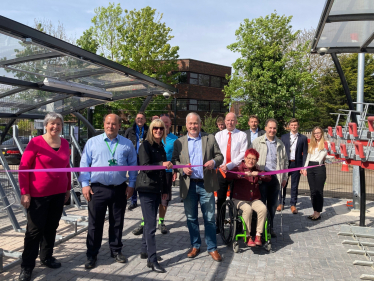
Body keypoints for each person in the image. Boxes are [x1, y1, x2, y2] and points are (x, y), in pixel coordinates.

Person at [79, 114, 137, 269]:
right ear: (104, 124)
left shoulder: (127, 144)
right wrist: (85, 184)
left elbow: (133, 165)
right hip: (97, 189)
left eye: (114, 124)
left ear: (119, 126)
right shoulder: (92, 142)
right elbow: (84, 164)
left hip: (119, 189)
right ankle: (92, 254)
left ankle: (116, 250)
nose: (110, 126)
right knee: (94, 224)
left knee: (117, 222)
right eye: (108, 123)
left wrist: (131, 184)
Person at [18, 112, 71, 281]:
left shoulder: (64, 143)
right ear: (46, 125)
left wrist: (68, 188)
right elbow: (23, 167)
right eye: (52, 123)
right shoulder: (36, 142)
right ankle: (27, 266)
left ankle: (46, 257)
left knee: (51, 228)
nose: (55, 126)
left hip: (58, 193)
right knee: (34, 231)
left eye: (58, 124)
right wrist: (25, 192)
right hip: (38, 195)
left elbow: (67, 167)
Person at [172, 112, 224, 261]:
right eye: (191, 123)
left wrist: (214, 162)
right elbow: (174, 161)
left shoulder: (210, 138)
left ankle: (212, 248)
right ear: (186, 125)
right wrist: (182, 169)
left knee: (209, 218)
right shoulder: (179, 142)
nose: (193, 126)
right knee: (191, 218)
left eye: (196, 123)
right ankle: (195, 245)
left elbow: (220, 156)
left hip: (205, 184)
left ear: (200, 124)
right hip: (189, 185)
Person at [132, 114, 178, 235]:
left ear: (169, 124)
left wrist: (176, 170)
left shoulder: (175, 139)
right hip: (151, 173)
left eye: (166, 123)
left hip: (166, 173)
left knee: (164, 199)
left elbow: (176, 156)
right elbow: (145, 163)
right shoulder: (150, 141)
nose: (162, 127)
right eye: (161, 124)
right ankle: (144, 222)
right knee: (149, 201)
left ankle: (161, 222)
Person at [136, 119, 172, 273]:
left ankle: (145, 250)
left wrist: (165, 189)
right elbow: (144, 167)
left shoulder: (160, 146)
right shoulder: (145, 145)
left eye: (161, 128)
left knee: (149, 223)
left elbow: (163, 171)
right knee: (151, 226)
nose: (158, 130)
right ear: (151, 130)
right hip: (146, 189)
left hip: (157, 188)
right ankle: (152, 259)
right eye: (155, 128)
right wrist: (161, 164)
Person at [225, 149, 271, 247]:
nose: (251, 161)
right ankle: (247, 235)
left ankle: (258, 235)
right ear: (245, 158)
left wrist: (258, 174)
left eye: (254, 159)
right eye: (249, 158)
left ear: (256, 161)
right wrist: (242, 175)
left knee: (263, 208)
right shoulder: (239, 168)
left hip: (254, 199)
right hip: (239, 199)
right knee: (247, 209)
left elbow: (268, 177)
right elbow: (228, 175)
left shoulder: (257, 170)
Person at [250, 118, 288, 237]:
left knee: (272, 205)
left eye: (274, 128)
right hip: (261, 178)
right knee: (260, 204)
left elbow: (285, 162)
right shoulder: (257, 142)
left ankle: (270, 228)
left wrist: (284, 178)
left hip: (275, 178)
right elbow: (249, 159)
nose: (272, 130)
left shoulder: (280, 144)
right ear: (265, 128)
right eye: (270, 128)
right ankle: (258, 230)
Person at [215, 112, 247, 233]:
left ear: (236, 121)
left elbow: (243, 153)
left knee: (235, 199)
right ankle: (219, 224)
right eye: (228, 120)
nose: (230, 122)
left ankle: (235, 223)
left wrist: (230, 165)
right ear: (225, 121)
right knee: (221, 199)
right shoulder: (218, 135)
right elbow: (216, 152)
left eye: (232, 120)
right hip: (221, 171)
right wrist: (221, 166)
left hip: (235, 171)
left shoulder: (242, 135)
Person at [278, 118, 308, 214]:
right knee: (283, 184)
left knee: (294, 185)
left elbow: (305, 153)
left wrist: (304, 167)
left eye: (295, 125)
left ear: (298, 126)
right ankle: (280, 203)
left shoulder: (303, 138)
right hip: (285, 164)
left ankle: (293, 204)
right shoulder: (284, 137)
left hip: (296, 164)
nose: (294, 126)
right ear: (289, 126)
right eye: (292, 125)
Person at [301, 126, 331, 220]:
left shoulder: (326, 144)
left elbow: (325, 156)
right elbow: (308, 156)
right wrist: (305, 168)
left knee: (319, 191)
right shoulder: (311, 144)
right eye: (315, 133)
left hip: (319, 167)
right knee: (313, 191)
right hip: (310, 167)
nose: (317, 135)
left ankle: (318, 212)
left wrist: (325, 159)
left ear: (321, 133)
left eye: (318, 133)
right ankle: (314, 211)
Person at [124, 112, 149, 210]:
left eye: (142, 118)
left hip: (144, 157)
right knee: (132, 178)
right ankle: (133, 200)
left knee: (144, 177)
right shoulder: (130, 131)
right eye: (138, 118)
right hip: (133, 157)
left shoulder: (148, 130)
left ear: (145, 120)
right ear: (135, 119)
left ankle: (144, 198)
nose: (140, 120)